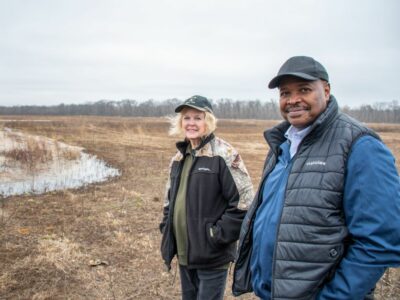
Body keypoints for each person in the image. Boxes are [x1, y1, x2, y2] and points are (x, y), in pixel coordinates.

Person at [232, 56, 400, 299]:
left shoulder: (359, 145)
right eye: (285, 93)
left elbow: (380, 241)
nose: (293, 100)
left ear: (327, 90)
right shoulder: (283, 144)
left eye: (304, 90)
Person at [160, 95, 254, 300]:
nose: (191, 123)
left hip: (212, 255)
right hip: (185, 254)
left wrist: (216, 235)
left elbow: (245, 203)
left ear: (208, 121)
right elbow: (169, 201)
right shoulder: (178, 158)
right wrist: (167, 228)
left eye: (197, 118)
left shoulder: (224, 154)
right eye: (186, 118)